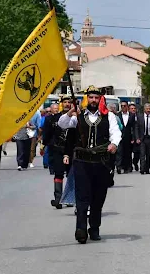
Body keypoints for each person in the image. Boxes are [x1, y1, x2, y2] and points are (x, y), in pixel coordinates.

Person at [58, 85, 121, 244]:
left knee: (98, 198)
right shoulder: (78, 116)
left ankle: (94, 228)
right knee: (82, 197)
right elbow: (62, 124)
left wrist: (114, 144)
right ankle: (80, 229)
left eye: (96, 97)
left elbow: (116, 133)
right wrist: (69, 113)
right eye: (91, 97)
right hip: (82, 163)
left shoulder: (109, 116)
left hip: (101, 163)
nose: (93, 100)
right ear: (87, 99)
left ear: (100, 99)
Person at [43, 96, 76, 210]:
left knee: (72, 174)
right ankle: (58, 198)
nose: (67, 104)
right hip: (58, 149)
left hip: (72, 150)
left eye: (69, 102)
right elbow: (48, 134)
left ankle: (70, 198)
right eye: (65, 102)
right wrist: (46, 145)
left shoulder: (77, 117)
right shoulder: (54, 118)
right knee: (58, 174)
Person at [133, 102, 150, 174]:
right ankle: (142, 168)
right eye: (147, 109)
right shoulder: (139, 117)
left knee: (148, 155)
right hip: (142, 138)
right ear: (144, 109)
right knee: (142, 154)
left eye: (149, 109)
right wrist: (137, 138)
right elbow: (136, 128)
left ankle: (147, 169)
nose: (148, 110)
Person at [116, 101, 134, 174]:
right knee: (120, 152)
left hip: (129, 136)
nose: (123, 107)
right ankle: (119, 166)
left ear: (127, 106)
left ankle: (128, 167)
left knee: (128, 152)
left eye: (124, 106)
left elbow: (134, 127)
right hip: (120, 136)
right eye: (122, 106)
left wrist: (133, 138)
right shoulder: (118, 115)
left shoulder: (132, 115)